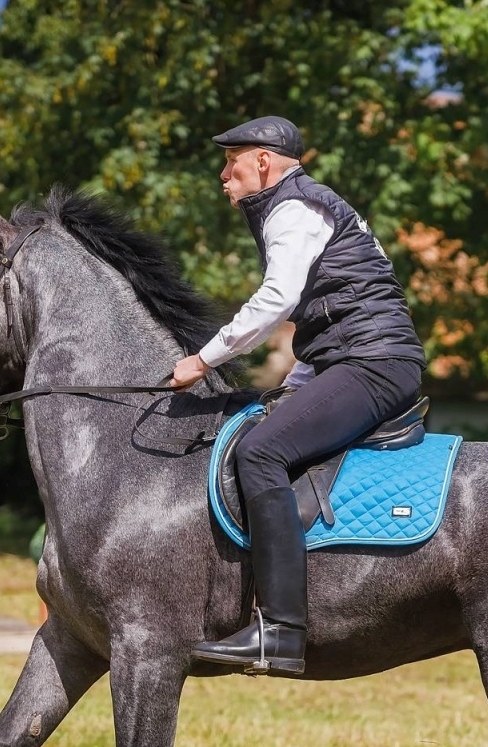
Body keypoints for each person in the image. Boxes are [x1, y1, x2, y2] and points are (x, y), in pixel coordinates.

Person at [169, 116, 426, 676]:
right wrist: (291, 390)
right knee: (267, 425)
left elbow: (277, 300)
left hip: (373, 364)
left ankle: (279, 632)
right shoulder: (308, 204)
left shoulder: (294, 208)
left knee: (260, 453)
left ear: (263, 160)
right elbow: (327, 323)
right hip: (360, 359)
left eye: (231, 160)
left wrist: (203, 359)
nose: (223, 174)